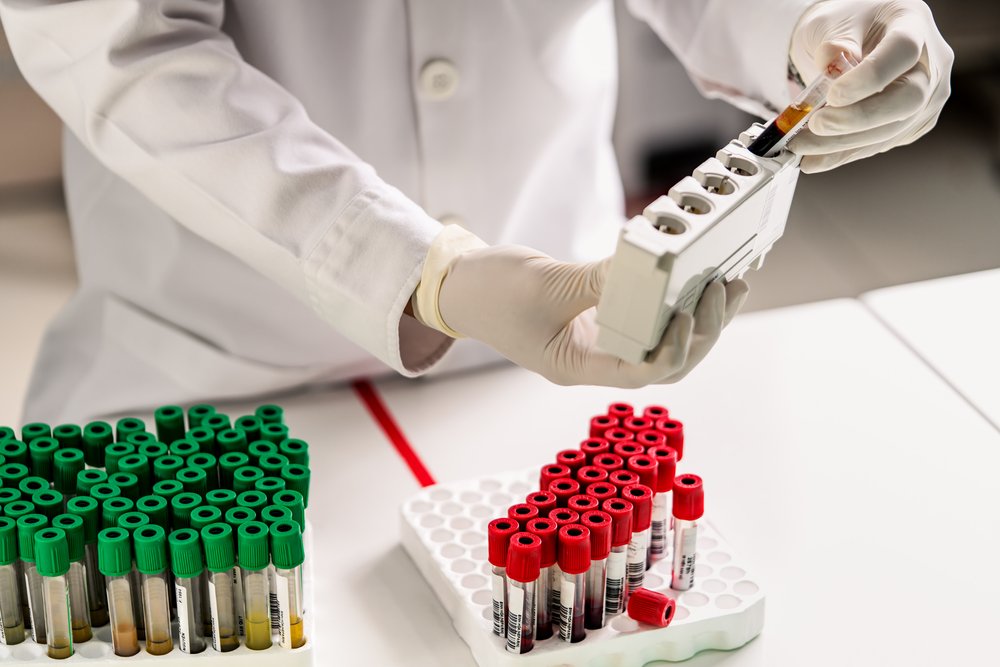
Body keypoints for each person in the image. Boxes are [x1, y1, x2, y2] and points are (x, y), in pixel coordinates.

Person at [0, 0, 952, 422]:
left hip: (551, 362)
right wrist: (420, 273)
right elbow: (119, 46)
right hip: (202, 371)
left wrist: (819, 21)